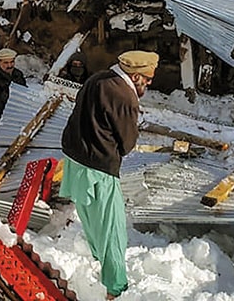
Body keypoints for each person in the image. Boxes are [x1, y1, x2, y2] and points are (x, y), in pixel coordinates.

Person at [60, 50, 159, 299]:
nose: (149, 83)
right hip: (99, 168)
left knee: (91, 218)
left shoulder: (97, 79)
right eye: (147, 79)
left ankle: (97, 259)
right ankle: (116, 288)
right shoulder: (125, 96)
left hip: (74, 159)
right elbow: (127, 144)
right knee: (113, 229)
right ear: (135, 77)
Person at [0, 47, 27, 138]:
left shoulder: (18, 75)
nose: (10, 65)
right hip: (1, 126)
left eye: (12, 62)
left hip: (19, 122)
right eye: (6, 63)